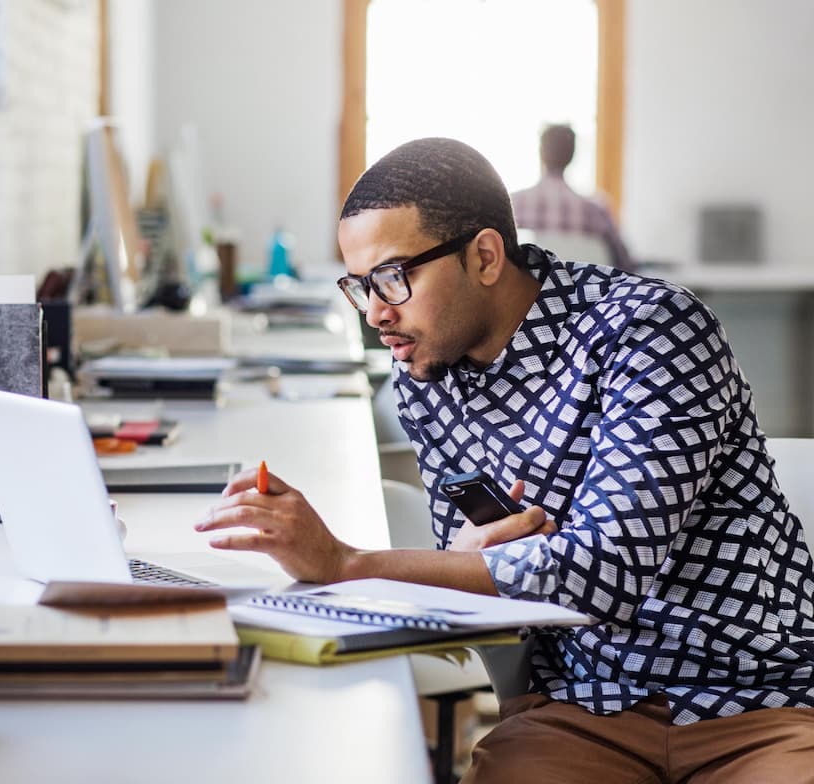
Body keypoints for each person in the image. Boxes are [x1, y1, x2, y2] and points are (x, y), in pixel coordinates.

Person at [196, 138, 814, 782]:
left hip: (759, 702)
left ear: (485, 257)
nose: (377, 313)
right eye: (361, 286)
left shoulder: (652, 329)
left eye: (394, 278)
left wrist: (347, 563)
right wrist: (470, 562)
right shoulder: (426, 368)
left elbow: (606, 572)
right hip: (578, 710)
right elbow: (479, 575)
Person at [511, 123, 635, 271]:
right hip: (585, 293)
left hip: (531, 293)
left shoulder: (513, 204)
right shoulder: (597, 210)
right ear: (572, 155)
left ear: (541, 152)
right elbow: (624, 265)